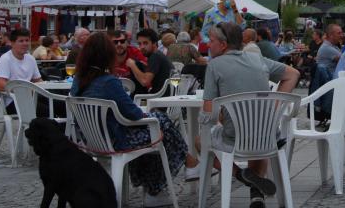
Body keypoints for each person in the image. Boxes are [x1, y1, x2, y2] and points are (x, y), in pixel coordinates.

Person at [71, 32, 195, 206]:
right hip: (117, 139)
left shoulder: (78, 81)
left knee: (156, 127)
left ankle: (160, 186)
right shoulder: (109, 82)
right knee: (160, 123)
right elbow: (134, 114)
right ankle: (166, 181)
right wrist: (148, 117)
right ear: (107, 55)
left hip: (91, 139)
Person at [202, 22, 299, 208]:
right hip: (268, 135)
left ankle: (243, 175)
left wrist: (214, 119)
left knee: (199, 142)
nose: (208, 44)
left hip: (234, 137)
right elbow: (293, 74)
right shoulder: (257, 59)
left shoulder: (214, 65)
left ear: (223, 45)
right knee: (258, 140)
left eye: (211, 40)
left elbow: (209, 114)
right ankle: (256, 194)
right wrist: (274, 107)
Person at [0, 28, 42, 101]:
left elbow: (38, 80)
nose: (25, 43)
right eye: (21, 41)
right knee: (52, 108)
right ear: (12, 43)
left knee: (57, 104)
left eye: (27, 40)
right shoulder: (5, 59)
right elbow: (0, 85)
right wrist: (24, 90)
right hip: (12, 100)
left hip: (29, 98)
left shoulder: (31, 59)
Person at [127, 29, 172, 94]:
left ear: (154, 43)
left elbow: (145, 82)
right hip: (162, 96)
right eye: (139, 44)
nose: (141, 47)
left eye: (145, 43)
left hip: (158, 99)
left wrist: (132, 65)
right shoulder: (158, 55)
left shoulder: (155, 56)